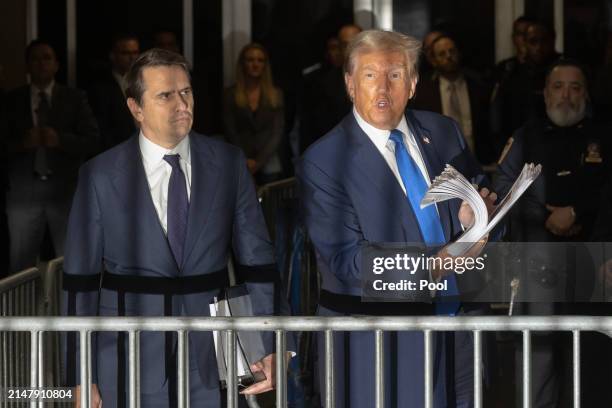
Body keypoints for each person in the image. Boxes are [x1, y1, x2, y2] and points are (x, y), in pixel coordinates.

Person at [63, 48, 283, 407]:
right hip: (128, 355)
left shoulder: (227, 163)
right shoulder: (99, 175)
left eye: (186, 92)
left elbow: (257, 261)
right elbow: (79, 282)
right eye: (165, 95)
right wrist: (80, 375)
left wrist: (270, 344)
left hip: (214, 355)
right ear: (136, 108)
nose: (182, 104)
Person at [298, 30, 496, 407]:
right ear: (350, 84)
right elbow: (348, 263)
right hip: (378, 345)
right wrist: (435, 267)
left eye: (395, 75)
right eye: (370, 75)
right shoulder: (323, 162)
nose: (383, 88)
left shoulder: (443, 132)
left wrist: (480, 216)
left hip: (459, 333)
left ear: (414, 83)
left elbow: (484, 210)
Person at [495, 59, 611, 407]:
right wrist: (545, 217)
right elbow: (503, 190)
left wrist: (577, 213)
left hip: (596, 264)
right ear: (545, 93)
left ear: (586, 94)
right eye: (558, 86)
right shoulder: (524, 137)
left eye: (575, 87)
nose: (566, 95)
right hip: (537, 265)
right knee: (538, 360)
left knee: (593, 362)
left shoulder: (606, 136)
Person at [4, 39, 99, 273]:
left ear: (56, 65)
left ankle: (68, 309)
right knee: (20, 266)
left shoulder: (75, 98)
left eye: (47, 58)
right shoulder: (11, 100)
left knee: (70, 262)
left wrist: (61, 140)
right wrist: (22, 144)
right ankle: (21, 311)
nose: (41, 64)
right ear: (27, 65)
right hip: (23, 193)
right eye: (35, 59)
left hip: (64, 191)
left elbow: (94, 139)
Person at [410, 34, 495, 164]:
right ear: (433, 61)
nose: (448, 57)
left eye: (452, 51)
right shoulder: (423, 91)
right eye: (442, 54)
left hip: (477, 161)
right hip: (439, 163)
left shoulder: (477, 85)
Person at [491, 21, 559, 155]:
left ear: (552, 41)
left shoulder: (561, 71)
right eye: (533, 42)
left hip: (555, 144)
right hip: (519, 147)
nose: (539, 48)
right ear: (525, 43)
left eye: (543, 41)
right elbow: (500, 116)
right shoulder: (511, 73)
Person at [223, 43, 284, 185]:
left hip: (268, 157)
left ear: (265, 65)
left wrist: (259, 161)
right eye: (250, 60)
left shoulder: (276, 94)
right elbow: (230, 129)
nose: (255, 64)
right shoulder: (230, 94)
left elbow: (277, 131)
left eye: (260, 60)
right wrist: (246, 159)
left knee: (270, 202)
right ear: (243, 63)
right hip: (240, 157)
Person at [299, 24, 362, 152]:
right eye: (345, 45)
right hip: (333, 154)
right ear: (339, 49)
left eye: (356, 44)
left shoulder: (380, 81)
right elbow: (311, 129)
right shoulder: (321, 85)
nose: (351, 50)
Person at [88, 34, 140, 150]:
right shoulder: (100, 88)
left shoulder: (148, 81)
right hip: (119, 152)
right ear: (113, 56)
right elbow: (102, 130)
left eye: (135, 52)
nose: (132, 57)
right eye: (125, 53)